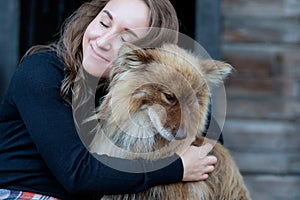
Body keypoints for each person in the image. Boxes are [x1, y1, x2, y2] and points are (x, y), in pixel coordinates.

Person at [0, 0, 220, 199]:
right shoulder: (41, 72)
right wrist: (178, 168)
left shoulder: (131, 93)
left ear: (146, 56)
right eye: (104, 23)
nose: (103, 41)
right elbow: (77, 174)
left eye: (125, 39)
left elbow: (207, 132)